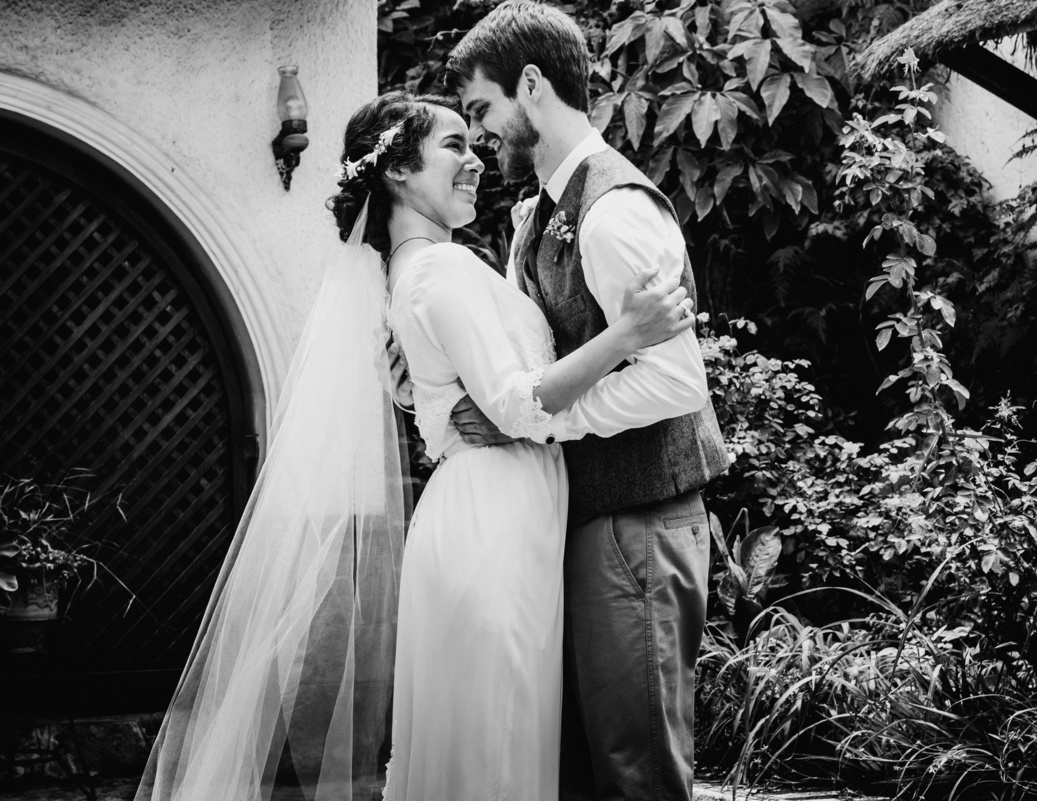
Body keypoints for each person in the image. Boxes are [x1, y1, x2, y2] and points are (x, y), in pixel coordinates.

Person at [135, 90, 694, 801]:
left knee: (494, 735)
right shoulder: (438, 270)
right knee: (495, 739)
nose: (477, 161)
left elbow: (450, 385)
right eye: (454, 145)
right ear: (397, 170)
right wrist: (628, 333)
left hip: (501, 508)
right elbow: (517, 404)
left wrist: (424, 396)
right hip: (492, 517)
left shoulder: (425, 268)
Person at [444, 3, 732, 800]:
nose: (478, 136)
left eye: (482, 110)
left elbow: (676, 381)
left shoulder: (613, 215)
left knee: (636, 766)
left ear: (531, 85)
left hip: (639, 522)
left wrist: (540, 418)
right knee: (579, 766)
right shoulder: (537, 215)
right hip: (580, 517)